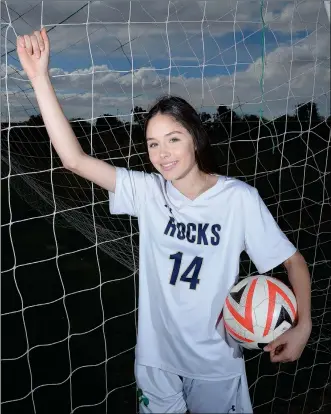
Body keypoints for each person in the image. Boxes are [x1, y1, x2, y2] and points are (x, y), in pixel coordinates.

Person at [16, 28, 312, 414]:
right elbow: (74, 160)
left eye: (173, 139)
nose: (162, 153)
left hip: (215, 363)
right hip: (156, 362)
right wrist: (39, 77)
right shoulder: (149, 192)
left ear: (194, 138)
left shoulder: (237, 199)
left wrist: (302, 325)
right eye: (153, 143)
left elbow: (294, 262)